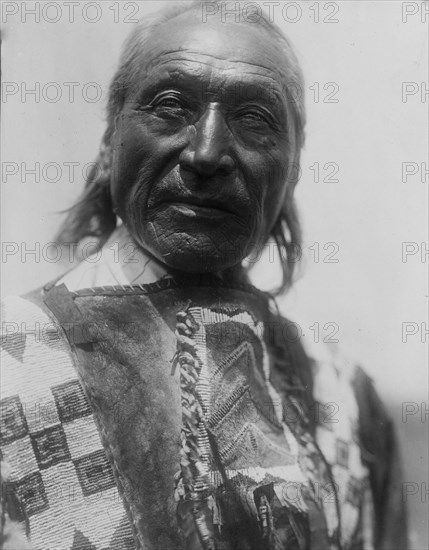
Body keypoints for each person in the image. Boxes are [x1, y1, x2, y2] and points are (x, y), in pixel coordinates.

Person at [0, 2, 407, 549]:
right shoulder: (12, 357)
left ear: (292, 170)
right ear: (108, 144)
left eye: (254, 119)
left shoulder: (345, 402)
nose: (207, 152)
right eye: (170, 106)